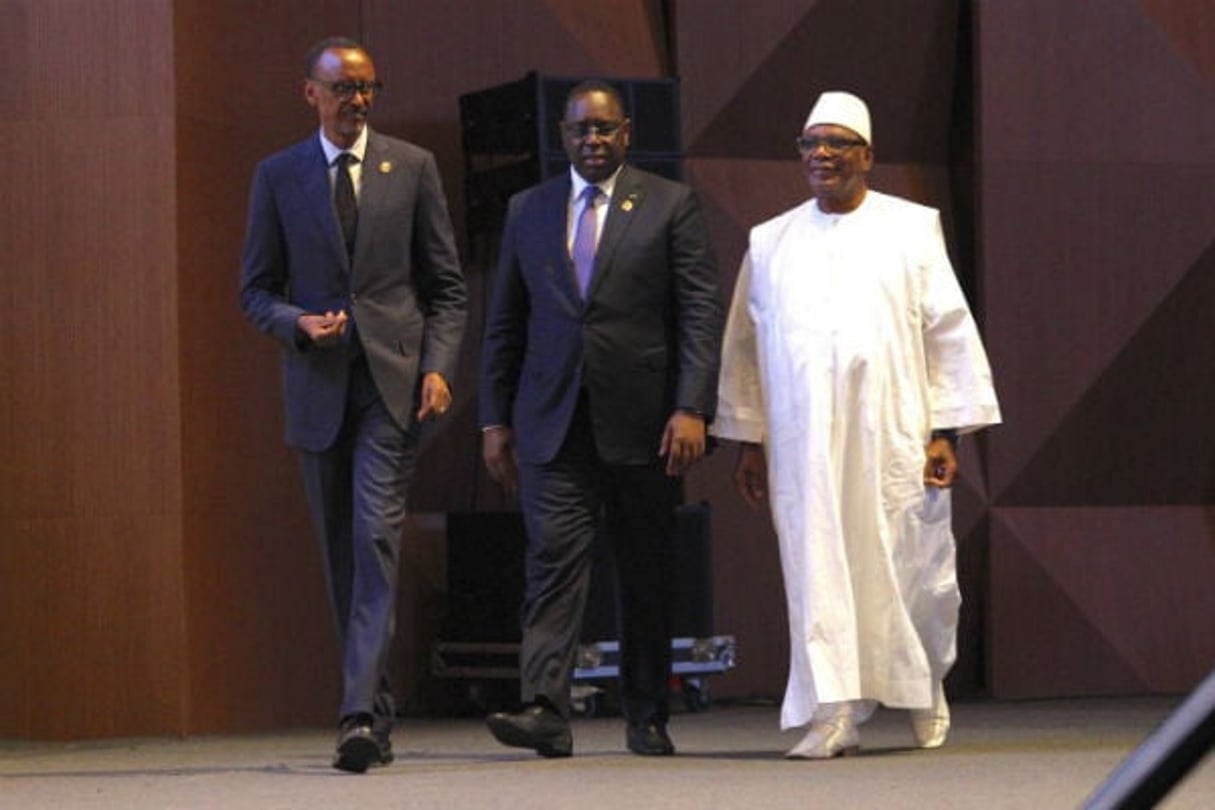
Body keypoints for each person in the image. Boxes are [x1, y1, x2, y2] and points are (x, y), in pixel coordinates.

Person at [714, 91, 1001, 759]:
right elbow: (743, 349)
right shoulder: (770, 240)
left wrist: (945, 434)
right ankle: (831, 712)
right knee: (815, 568)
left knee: (905, 564)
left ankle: (921, 684)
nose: (821, 154)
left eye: (837, 142)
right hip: (801, 441)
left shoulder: (910, 228)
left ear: (866, 156)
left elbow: (948, 334)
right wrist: (749, 443)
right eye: (810, 143)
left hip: (892, 432)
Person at [239, 36, 467, 773]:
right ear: (311, 93)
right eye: (342, 89)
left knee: (373, 537)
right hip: (317, 391)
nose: (356, 101)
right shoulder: (277, 177)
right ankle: (376, 704)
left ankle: (357, 715)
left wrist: (437, 366)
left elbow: (447, 287)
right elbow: (254, 291)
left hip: (390, 388)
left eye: (367, 88)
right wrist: (295, 324)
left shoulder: (412, 167)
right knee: (344, 556)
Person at [478, 80, 722, 758]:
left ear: (626, 134)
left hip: (646, 424)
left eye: (605, 129)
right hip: (550, 422)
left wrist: (691, 406)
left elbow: (700, 313)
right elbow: (504, 323)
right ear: (562, 134)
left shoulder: (670, 204)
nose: (592, 141)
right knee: (550, 565)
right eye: (581, 130)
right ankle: (544, 709)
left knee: (644, 571)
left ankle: (646, 712)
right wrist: (494, 418)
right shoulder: (527, 209)